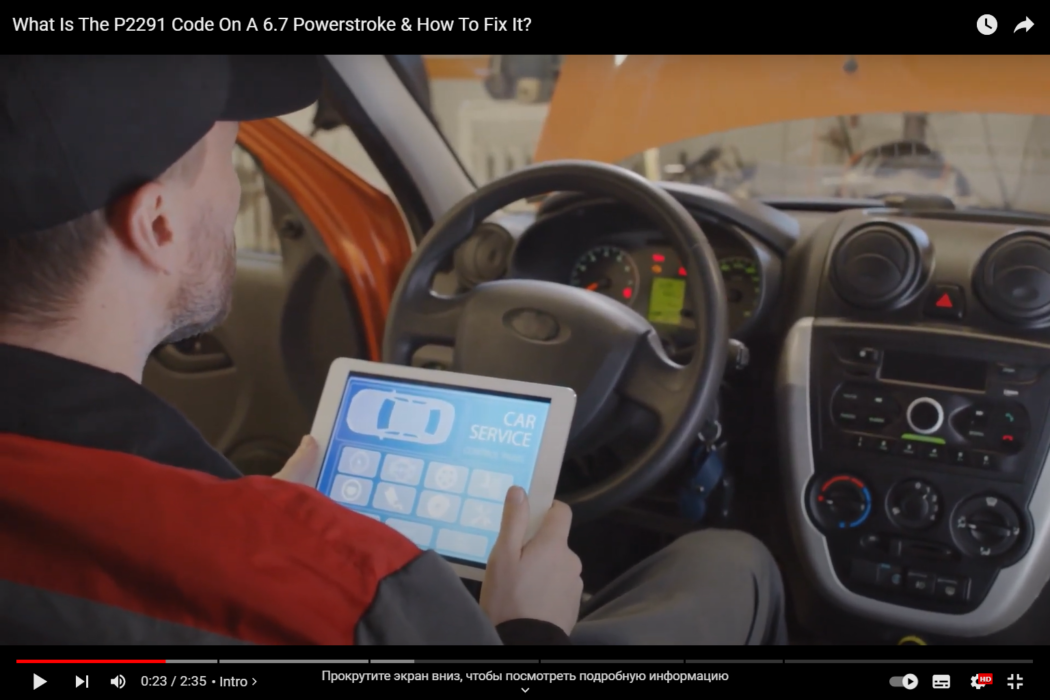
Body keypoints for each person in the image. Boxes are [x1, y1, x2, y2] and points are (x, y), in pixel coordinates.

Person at [0, 55, 788, 645]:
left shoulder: (254, 553)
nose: (235, 192)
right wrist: (524, 631)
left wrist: (241, 513)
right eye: (229, 158)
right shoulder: (350, 591)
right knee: (730, 559)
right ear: (159, 226)